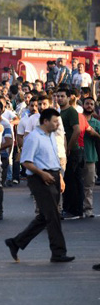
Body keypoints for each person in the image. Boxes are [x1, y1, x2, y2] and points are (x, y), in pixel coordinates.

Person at [5, 108, 74, 263]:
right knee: (53, 216)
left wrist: (60, 177)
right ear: (45, 121)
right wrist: (42, 174)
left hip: (54, 175)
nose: (57, 124)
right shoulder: (34, 137)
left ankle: (16, 242)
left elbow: (53, 159)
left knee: (45, 216)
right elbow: (25, 161)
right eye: (55, 121)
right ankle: (58, 253)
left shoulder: (50, 136)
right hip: (39, 179)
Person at [57, 87, 84, 220]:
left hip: (73, 151)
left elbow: (77, 130)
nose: (60, 98)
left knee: (72, 181)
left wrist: (68, 148)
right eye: (58, 96)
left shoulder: (71, 111)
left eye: (62, 96)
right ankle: (69, 209)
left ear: (69, 98)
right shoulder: (60, 112)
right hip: (64, 151)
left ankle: (75, 211)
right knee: (68, 180)